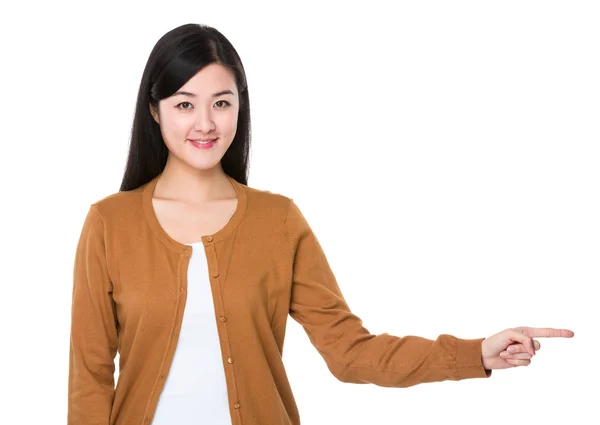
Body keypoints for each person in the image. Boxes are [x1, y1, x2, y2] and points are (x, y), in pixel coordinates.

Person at [67, 23, 575, 425]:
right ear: (154, 112)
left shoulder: (278, 221)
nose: (205, 123)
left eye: (221, 103)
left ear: (240, 108)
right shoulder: (109, 224)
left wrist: (476, 354)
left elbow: (350, 353)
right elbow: (89, 379)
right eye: (184, 104)